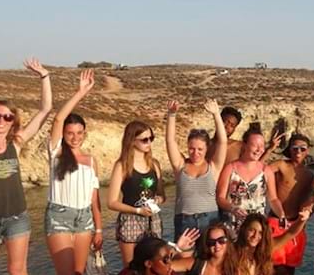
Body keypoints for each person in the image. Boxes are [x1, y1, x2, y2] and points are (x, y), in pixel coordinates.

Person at [0, 57, 52, 275]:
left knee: (18, 274)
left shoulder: (15, 142)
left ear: (13, 120)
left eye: (7, 117)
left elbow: (45, 110)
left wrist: (44, 77)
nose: (1, 121)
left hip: (17, 218)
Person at [44, 69, 103, 275]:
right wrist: (81, 92)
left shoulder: (90, 160)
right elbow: (56, 117)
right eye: (70, 132)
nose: (74, 137)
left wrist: (99, 228)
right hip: (59, 216)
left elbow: (94, 198)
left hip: (84, 219)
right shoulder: (56, 153)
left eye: (79, 133)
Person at [165, 99, 227, 241]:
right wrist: (171, 115)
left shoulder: (214, 167)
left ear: (207, 148)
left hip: (210, 220)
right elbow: (170, 141)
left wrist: (216, 114)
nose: (195, 153)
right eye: (191, 149)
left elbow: (222, 141)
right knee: (184, 260)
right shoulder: (180, 165)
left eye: (200, 149)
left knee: (208, 259)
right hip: (184, 221)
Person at [108, 121, 166, 266]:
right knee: (131, 267)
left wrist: (158, 200)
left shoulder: (155, 164)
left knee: (155, 264)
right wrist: (137, 210)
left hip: (153, 219)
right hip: (130, 220)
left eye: (151, 138)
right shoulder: (122, 166)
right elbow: (111, 202)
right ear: (132, 140)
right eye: (144, 139)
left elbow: (161, 194)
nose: (149, 143)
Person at [216, 127, 286, 237]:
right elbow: (220, 198)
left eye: (262, 146)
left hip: (256, 231)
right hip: (233, 228)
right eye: (255, 146)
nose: (259, 150)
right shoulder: (230, 168)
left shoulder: (266, 171)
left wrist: (281, 214)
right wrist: (233, 208)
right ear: (244, 145)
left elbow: (273, 199)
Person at [268, 133, 314, 275]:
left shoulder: (309, 175)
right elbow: (260, 169)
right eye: (295, 148)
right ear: (290, 149)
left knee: (289, 267)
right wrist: (270, 149)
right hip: (276, 220)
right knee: (273, 266)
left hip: (296, 223)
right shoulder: (281, 165)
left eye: (303, 148)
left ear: (308, 151)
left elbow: (308, 198)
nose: (298, 151)